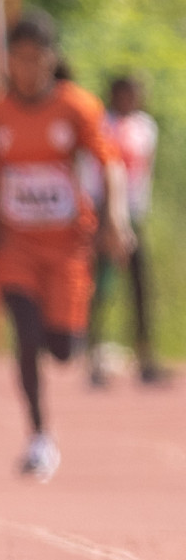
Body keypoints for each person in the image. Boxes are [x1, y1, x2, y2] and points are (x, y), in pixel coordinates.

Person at [0, 14, 133, 482]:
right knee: (26, 333)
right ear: (7, 61)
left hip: (67, 248)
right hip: (15, 246)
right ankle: (39, 436)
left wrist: (115, 216)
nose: (28, 69)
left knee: (61, 348)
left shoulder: (76, 108)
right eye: (19, 59)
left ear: (52, 59)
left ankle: (77, 345)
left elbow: (110, 163)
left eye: (37, 59)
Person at [84, 75, 169, 387]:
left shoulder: (145, 127)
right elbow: (96, 169)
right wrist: (102, 215)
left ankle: (146, 355)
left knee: (140, 287)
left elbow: (143, 172)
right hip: (103, 214)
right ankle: (93, 356)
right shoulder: (101, 124)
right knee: (101, 286)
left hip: (133, 216)